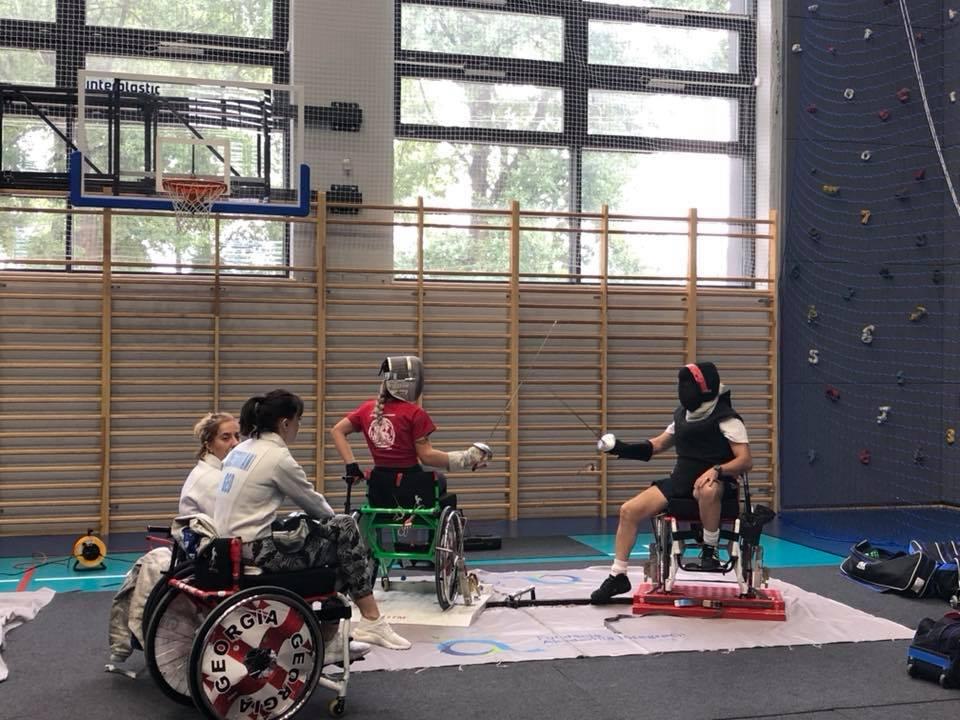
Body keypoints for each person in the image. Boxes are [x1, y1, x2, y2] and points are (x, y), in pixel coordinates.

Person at [214, 389, 411, 651]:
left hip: (227, 546)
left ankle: (335, 635)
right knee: (345, 533)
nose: (299, 427)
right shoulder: (277, 458)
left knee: (329, 541)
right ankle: (366, 622)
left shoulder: (240, 450)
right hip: (258, 552)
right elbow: (317, 506)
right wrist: (337, 528)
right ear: (285, 423)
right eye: (299, 421)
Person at [589, 361, 752, 604]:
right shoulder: (682, 416)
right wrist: (619, 448)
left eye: (688, 385)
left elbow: (745, 460)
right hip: (681, 482)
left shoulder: (727, 418)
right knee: (629, 510)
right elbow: (657, 445)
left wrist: (717, 470)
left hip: (718, 484)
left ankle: (710, 549)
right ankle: (618, 576)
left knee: (706, 490)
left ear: (704, 388)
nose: (683, 390)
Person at [330, 355, 493, 490]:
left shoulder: (366, 409)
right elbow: (427, 457)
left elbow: (337, 430)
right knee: (441, 481)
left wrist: (351, 466)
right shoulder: (414, 413)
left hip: (379, 486)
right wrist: (467, 458)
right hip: (410, 486)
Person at [179, 412, 240, 516]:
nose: (236, 443)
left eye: (237, 436)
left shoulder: (220, 471)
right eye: (225, 438)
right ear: (209, 445)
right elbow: (227, 520)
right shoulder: (211, 480)